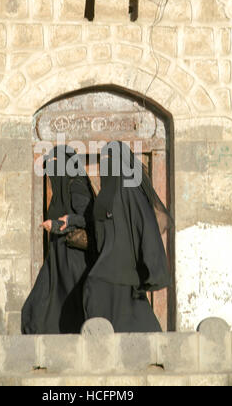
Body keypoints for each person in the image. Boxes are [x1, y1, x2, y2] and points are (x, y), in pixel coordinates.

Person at [83, 141, 174, 333]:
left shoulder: (129, 190)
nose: (105, 165)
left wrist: (151, 264)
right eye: (104, 160)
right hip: (109, 267)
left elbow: (148, 224)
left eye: (110, 160)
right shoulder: (110, 192)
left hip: (123, 270)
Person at [21, 145, 96, 334]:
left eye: (56, 164)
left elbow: (89, 219)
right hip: (57, 259)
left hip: (74, 260)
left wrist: (59, 224)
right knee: (37, 306)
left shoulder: (76, 185)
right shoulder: (59, 192)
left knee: (72, 308)